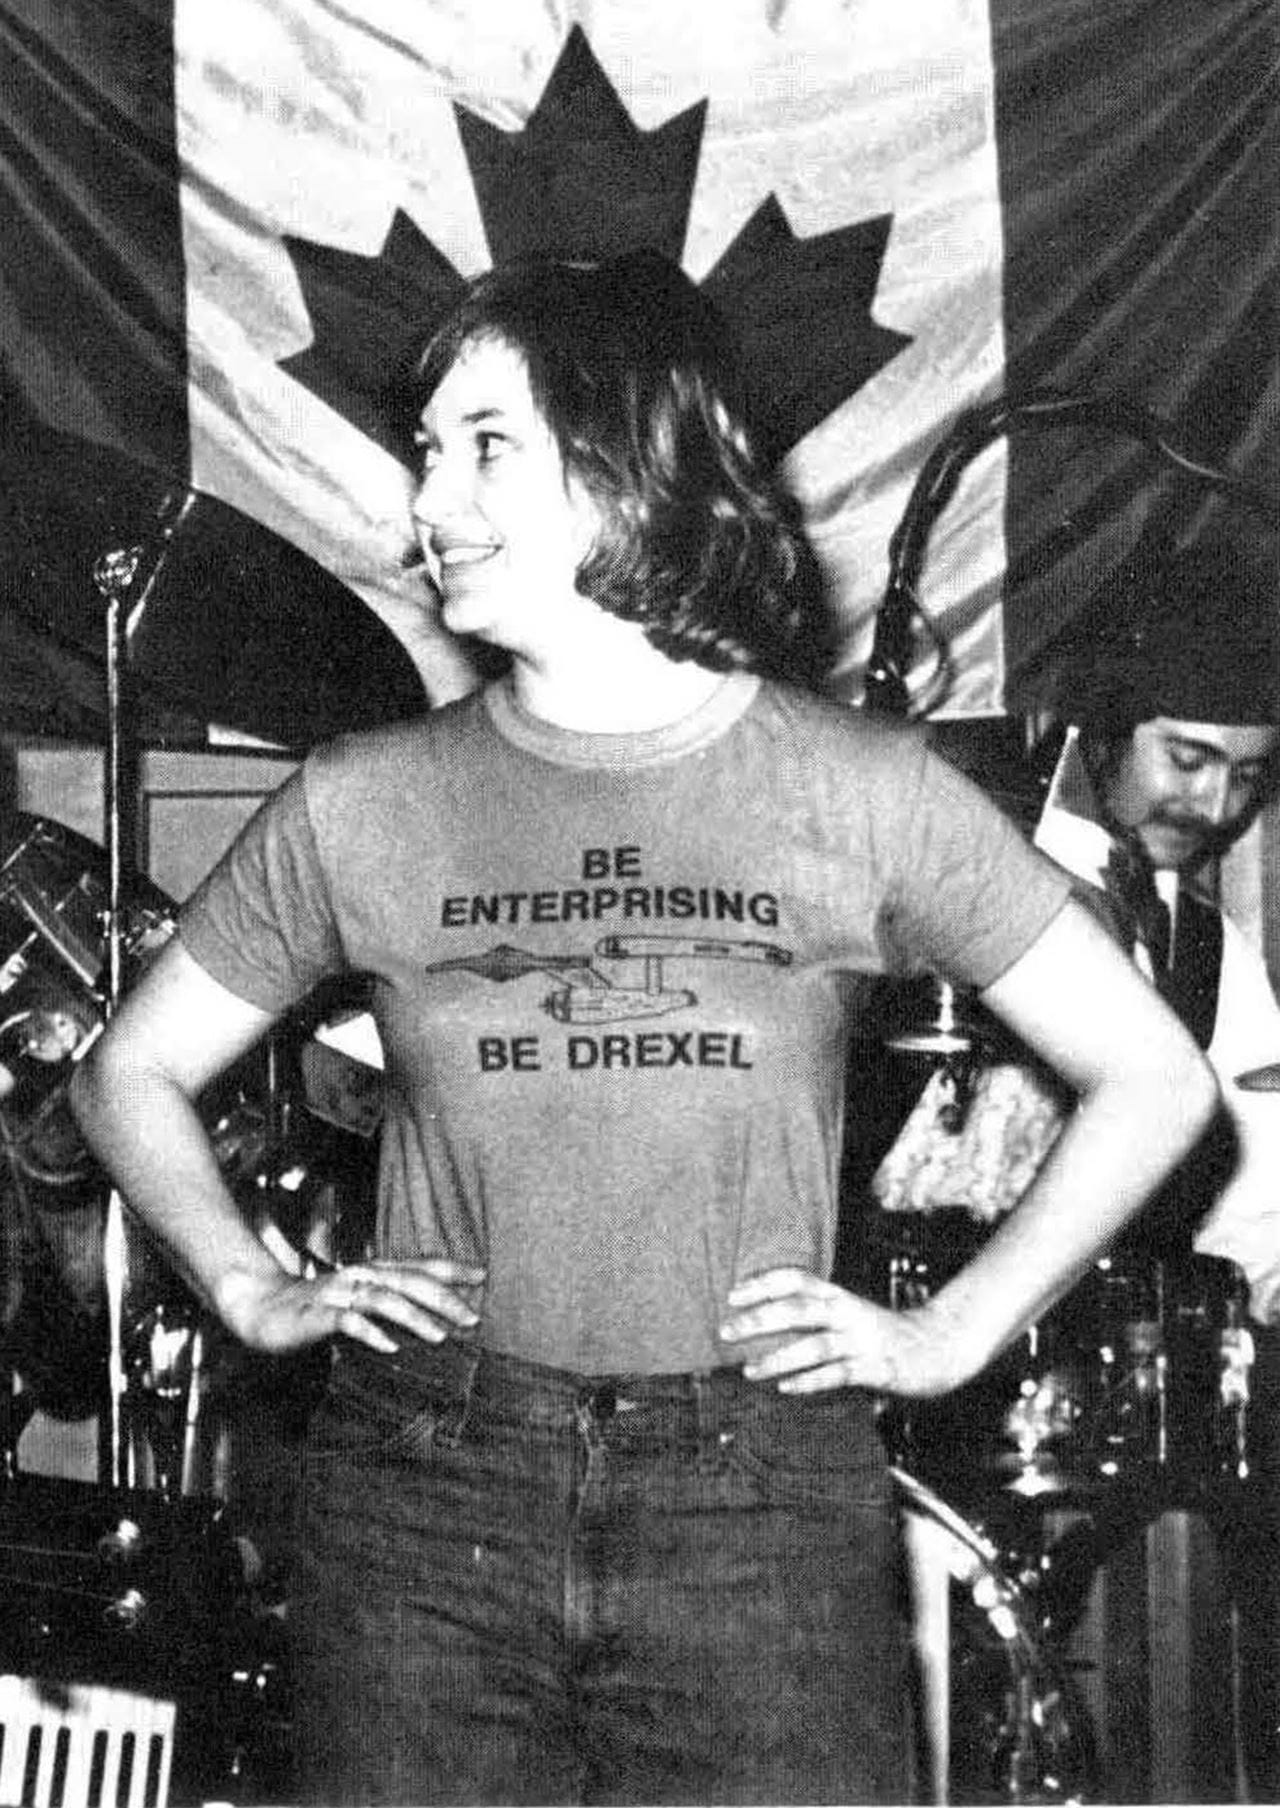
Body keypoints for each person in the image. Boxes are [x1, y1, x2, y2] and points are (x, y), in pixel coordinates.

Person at [68, 251, 1217, 1807]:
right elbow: (127, 1070)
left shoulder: (859, 790)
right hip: (427, 1499)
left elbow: (1155, 1079)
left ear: (630, 466)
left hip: (757, 1509)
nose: (429, 504)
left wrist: (948, 1338)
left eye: (486, 446)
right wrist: (249, 1288)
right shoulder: (362, 801)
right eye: (425, 454)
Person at [1030, 529, 1280, 1800]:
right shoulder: (1002, 885)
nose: (1212, 802)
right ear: (1100, 735)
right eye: (1184, 758)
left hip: (1154, 1363)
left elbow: (1260, 1174)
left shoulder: (1206, 936)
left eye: (1244, 775)